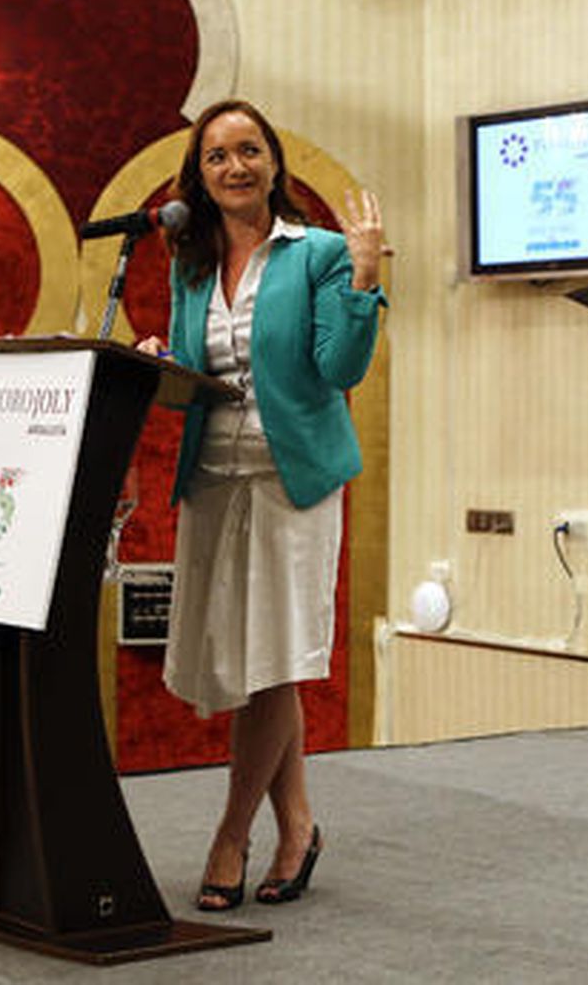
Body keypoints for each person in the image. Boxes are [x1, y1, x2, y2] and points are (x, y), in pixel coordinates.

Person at [136, 98, 386, 911]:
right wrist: (155, 362)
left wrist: (364, 278)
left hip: (294, 483)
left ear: (274, 163)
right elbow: (195, 384)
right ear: (198, 177)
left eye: (248, 151)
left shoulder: (316, 252)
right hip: (213, 481)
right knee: (254, 664)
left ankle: (231, 835)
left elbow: (339, 369)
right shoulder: (192, 260)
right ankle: (300, 826)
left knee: (273, 666)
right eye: (216, 157)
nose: (234, 167)